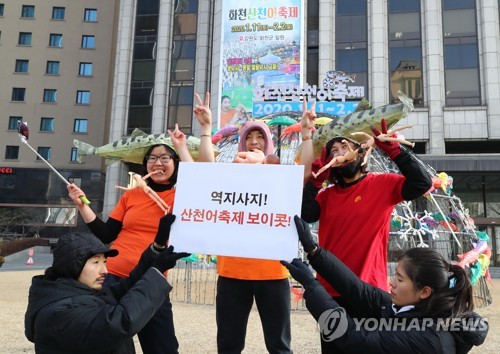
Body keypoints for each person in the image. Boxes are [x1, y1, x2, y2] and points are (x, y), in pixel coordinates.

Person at [66, 93, 214, 354]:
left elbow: (203, 179)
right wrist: (82, 205)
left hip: (151, 280)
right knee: (108, 346)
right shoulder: (131, 195)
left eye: (165, 158)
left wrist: (195, 135)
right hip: (112, 278)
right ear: (145, 165)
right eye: (152, 158)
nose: (158, 163)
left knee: (162, 346)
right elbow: (106, 233)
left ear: (175, 165)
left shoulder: (185, 194)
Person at [299, 103, 432, 352]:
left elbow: (421, 184)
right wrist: (314, 184)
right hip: (331, 292)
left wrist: (395, 151)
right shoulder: (326, 196)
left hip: (370, 292)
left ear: (360, 153)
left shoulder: (382, 184)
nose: (338, 152)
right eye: (333, 151)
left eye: (344, 146)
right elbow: (306, 215)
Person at [281, 215, 489, 354]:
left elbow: (350, 337)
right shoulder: (419, 309)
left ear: (424, 291)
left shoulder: (428, 338)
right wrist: (314, 251)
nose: (392, 283)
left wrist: (311, 284)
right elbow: (361, 291)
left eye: (399, 279)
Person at [25, 216, 189, 354]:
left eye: (104, 262)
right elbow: (121, 322)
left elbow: (128, 286)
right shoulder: (60, 313)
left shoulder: (77, 294)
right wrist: (156, 272)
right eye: (95, 262)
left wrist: (158, 246)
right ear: (71, 265)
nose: (104, 270)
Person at [216, 121, 292, 353]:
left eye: (260, 137)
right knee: (229, 343)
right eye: (249, 137)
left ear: (269, 142)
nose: (254, 142)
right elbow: (206, 181)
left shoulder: (281, 171)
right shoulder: (229, 171)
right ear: (242, 142)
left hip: (274, 271)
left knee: (279, 344)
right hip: (231, 270)